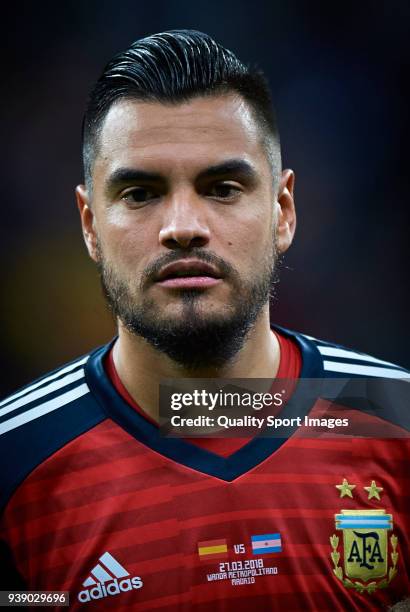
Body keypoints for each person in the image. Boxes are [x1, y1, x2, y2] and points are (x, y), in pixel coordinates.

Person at [0, 30, 408, 611]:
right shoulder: (15, 462)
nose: (183, 225)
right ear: (89, 225)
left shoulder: (395, 420)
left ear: (283, 212)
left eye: (222, 188)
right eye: (141, 193)